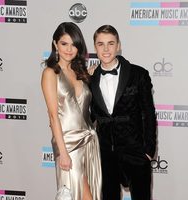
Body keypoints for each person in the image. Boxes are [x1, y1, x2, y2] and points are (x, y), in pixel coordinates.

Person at [90, 25, 157, 200]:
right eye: (100, 44)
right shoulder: (89, 79)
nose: (106, 49)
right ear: (95, 47)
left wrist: (148, 151)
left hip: (136, 153)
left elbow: (149, 114)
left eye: (110, 43)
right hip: (105, 155)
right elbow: (86, 117)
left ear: (118, 45)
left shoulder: (138, 74)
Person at [41, 22, 102, 200]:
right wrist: (63, 153)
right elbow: (53, 116)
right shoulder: (50, 73)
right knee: (81, 195)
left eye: (74, 44)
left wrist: (90, 75)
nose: (69, 49)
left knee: (92, 193)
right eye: (64, 43)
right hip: (68, 144)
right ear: (55, 45)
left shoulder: (80, 72)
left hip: (90, 140)